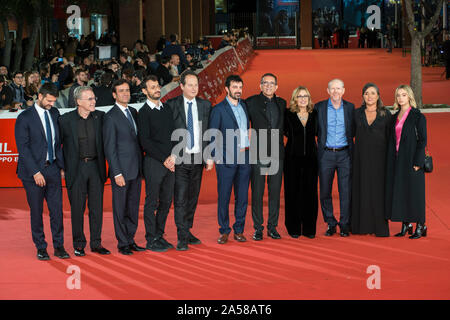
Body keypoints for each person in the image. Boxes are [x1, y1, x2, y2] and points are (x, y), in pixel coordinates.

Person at [15, 83, 69, 260]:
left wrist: (60, 166)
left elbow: (58, 142)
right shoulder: (24, 118)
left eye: (53, 101)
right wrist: (35, 172)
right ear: (40, 96)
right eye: (49, 100)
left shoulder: (54, 113)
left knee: (57, 211)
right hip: (33, 173)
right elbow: (23, 148)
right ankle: (41, 246)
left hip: (52, 169)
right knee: (37, 211)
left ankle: (59, 245)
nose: (51, 104)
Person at [59, 86, 110, 256]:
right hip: (76, 168)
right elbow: (56, 145)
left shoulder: (100, 117)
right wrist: (61, 167)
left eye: (94, 98)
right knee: (77, 209)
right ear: (78, 101)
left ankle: (96, 243)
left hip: (96, 167)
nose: (94, 101)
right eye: (89, 99)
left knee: (96, 208)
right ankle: (79, 244)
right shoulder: (66, 120)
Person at [165, 70, 212, 251]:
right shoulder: (171, 105)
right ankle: (181, 235)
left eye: (196, 85)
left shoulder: (205, 105)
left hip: (198, 158)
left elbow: (208, 132)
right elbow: (167, 132)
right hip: (180, 159)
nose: (194, 88)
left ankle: (187, 229)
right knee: (181, 198)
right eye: (190, 85)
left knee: (193, 197)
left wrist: (208, 155)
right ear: (181, 86)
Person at [103, 79, 145, 255]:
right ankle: (122, 243)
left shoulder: (134, 112)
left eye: (127, 90)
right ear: (114, 95)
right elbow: (109, 148)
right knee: (120, 208)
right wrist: (116, 172)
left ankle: (131, 239)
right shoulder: (110, 116)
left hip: (136, 169)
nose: (125, 93)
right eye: (121, 91)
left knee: (133, 207)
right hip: (121, 171)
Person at [208, 75, 251, 244]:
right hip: (226, 158)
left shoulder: (244, 106)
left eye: (240, 87)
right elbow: (212, 133)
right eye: (234, 87)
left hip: (245, 156)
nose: (238, 90)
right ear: (226, 89)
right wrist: (214, 156)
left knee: (242, 197)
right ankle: (224, 230)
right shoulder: (218, 109)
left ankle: (239, 230)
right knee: (224, 196)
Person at [136, 75, 177, 252]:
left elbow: (175, 134)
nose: (157, 89)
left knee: (166, 201)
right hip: (154, 163)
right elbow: (145, 141)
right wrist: (164, 159)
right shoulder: (143, 113)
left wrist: (173, 156)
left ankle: (159, 235)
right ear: (145, 91)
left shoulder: (166, 108)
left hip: (171, 162)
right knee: (152, 202)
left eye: (157, 86)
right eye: (152, 87)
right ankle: (150, 238)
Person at [245, 73, 285, 241]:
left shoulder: (282, 103)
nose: (268, 86)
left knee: (275, 191)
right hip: (258, 151)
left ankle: (272, 227)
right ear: (260, 86)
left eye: (272, 83)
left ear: (276, 87)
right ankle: (258, 228)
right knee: (258, 191)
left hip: (277, 151)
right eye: (265, 83)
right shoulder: (250, 102)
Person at [385, 85, 427, 239]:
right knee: (401, 192)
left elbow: (423, 140)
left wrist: (418, 162)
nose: (400, 98)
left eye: (403, 95)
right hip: (397, 160)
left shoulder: (417, 116)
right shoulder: (394, 116)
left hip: (412, 160)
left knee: (415, 193)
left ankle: (420, 225)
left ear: (409, 96)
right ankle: (406, 223)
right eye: (398, 95)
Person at [351, 83, 391, 237]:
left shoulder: (386, 115)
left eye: (373, 93)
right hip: (360, 158)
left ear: (378, 96)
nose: (369, 96)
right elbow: (350, 135)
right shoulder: (356, 113)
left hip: (380, 160)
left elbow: (390, 139)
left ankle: (379, 227)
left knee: (378, 191)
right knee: (362, 189)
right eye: (366, 93)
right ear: (363, 96)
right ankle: (361, 226)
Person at [316, 79, 354, 237]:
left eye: (339, 88)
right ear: (328, 91)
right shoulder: (320, 107)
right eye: (333, 89)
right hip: (326, 154)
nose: (336, 91)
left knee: (345, 191)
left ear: (343, 90)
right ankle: (330, 223)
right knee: (325, 190)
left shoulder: (350, 108)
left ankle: (344, 223)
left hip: (345, 154)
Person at [283, 86, 318, 238]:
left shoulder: (315, 114)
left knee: (310, 194)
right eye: (300, 96)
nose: (303, 99)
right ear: (295, 99)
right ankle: (294, 227)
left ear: (309, 99)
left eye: (305, 96)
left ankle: (309, 228)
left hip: (311, 160)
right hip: (292, 159)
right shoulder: (288, 114)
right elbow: (283, 131)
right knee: (292, 193)